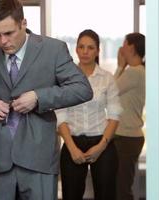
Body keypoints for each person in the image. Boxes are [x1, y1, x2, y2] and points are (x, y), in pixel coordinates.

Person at [0, 0, 93, 199]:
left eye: (8, 33)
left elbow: (82, 89)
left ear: (23, 23)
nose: (2, 41)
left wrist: (39, 97)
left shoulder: (53, 50)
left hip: (39, 160)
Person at [56, 29, 122, 200]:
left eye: (90, 48)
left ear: (98, 51)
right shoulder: (65, 80)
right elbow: (60, 116)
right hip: (72, 143)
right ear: (76, 49)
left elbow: (114, 116)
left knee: (106, 195)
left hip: (102, 141)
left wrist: (100, 147)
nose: (85, 51)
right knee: (70, 195)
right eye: (81, 47)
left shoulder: (107, 78)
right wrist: (71, 148)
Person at [114, 32, 146, 200]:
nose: (121, 48)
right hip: (128, 137)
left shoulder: (134, 72)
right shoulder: (137, 71)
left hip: (127, 137)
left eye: (124, 44)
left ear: (131, 47)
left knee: (122, 188)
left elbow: (109, 92)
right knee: (122, 184)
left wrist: (120, 66)